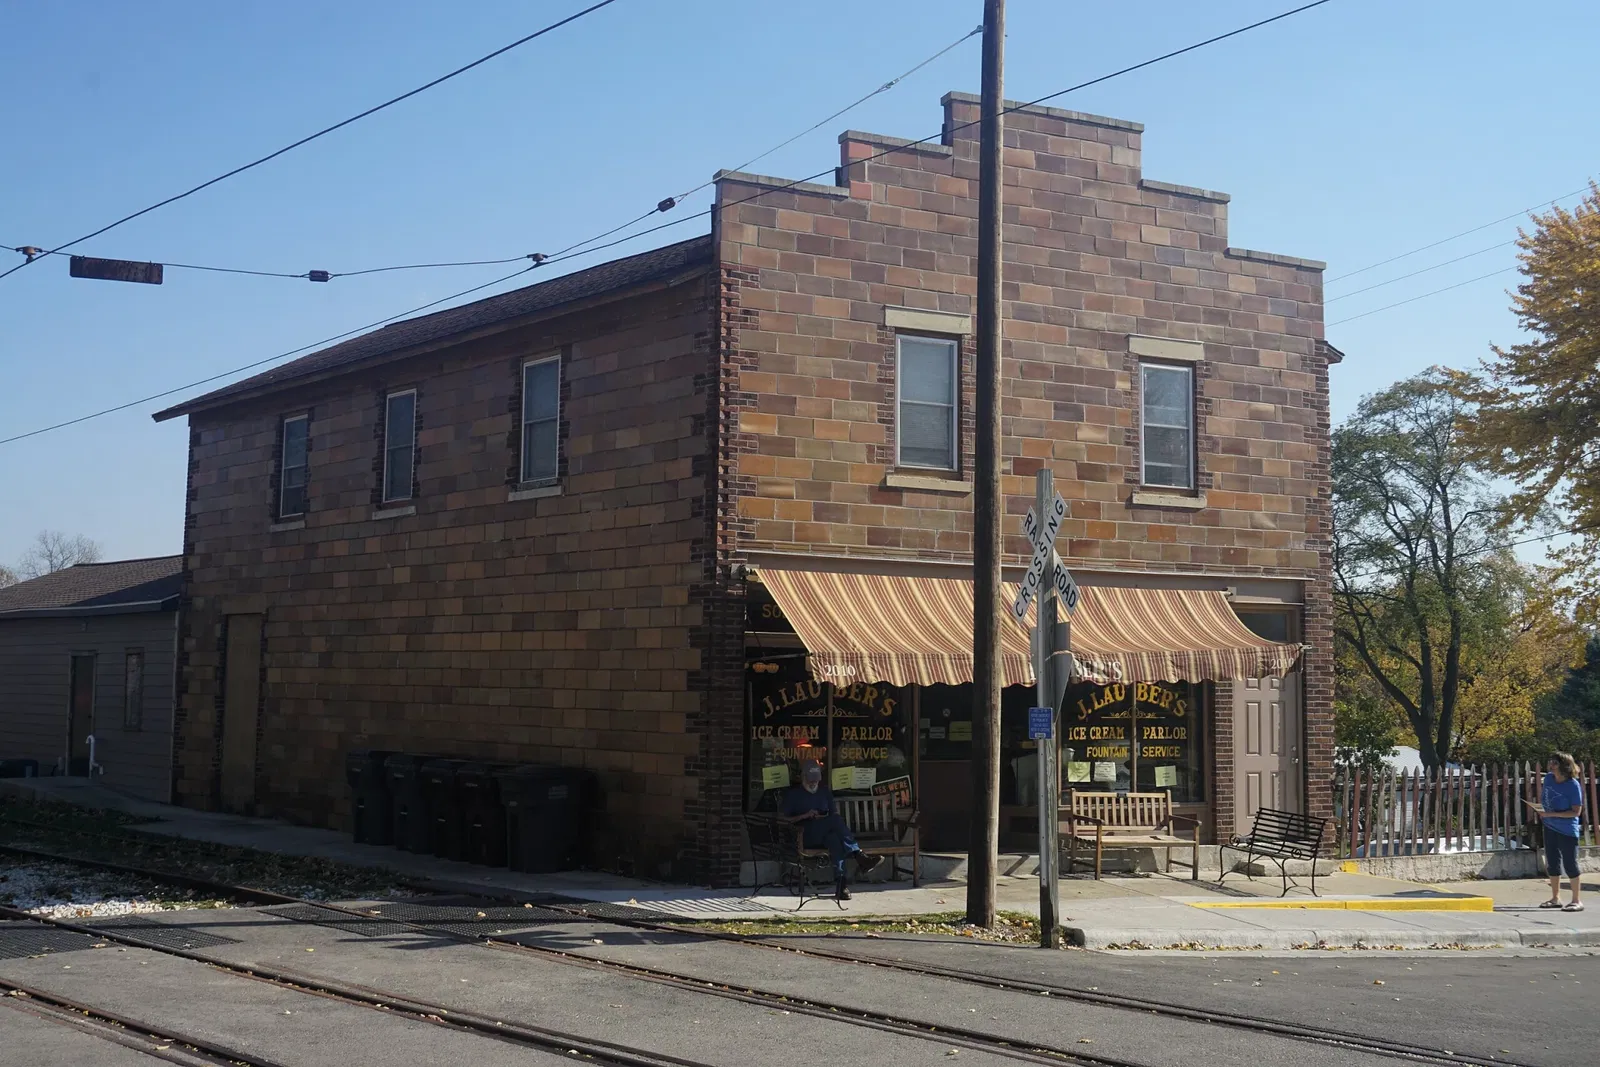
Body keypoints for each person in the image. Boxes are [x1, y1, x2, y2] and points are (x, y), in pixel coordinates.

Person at [780, 761, 881, 900]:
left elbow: (833, 813)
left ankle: (841, 886)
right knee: (834, 821)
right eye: (810, 779)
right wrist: (805, 815)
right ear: (803, 777)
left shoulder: (824, 791)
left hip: (825, 830)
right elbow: (783, 820)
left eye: (816, 779)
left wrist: (821, 816)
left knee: (834, 840)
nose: (813, 782)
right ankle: (859, 855)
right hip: (805, 834)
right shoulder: (793, 794)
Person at [1532, 751, 1585, 913]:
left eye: (1555, 762)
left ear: (1564, 765)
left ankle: (1576, 900)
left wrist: (1551, 814)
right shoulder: (1548, 778)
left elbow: (1576, 811)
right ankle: (1555, 898)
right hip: (1549, 826)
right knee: (1552, 863)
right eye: (1551, 761)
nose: (1551, 764)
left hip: (1567, 830)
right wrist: (1542, 810)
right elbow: (1547, 798)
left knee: (1570, 863)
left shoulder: (1572, 785)